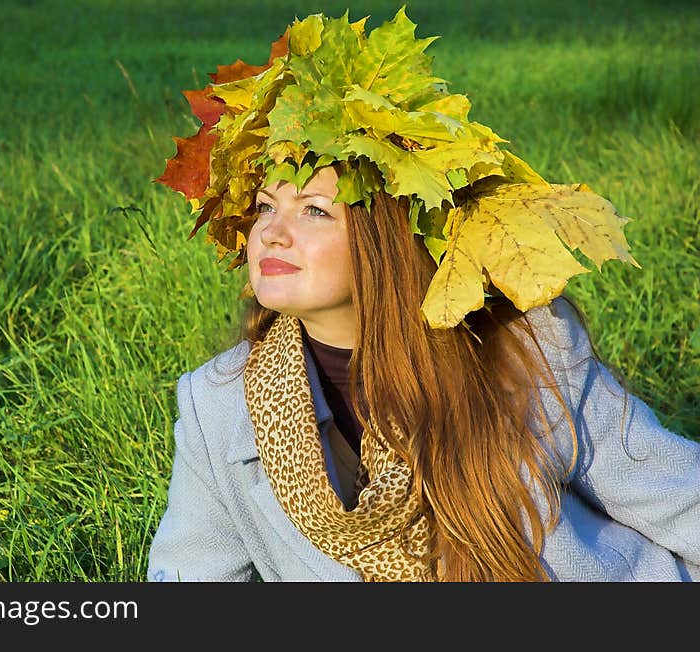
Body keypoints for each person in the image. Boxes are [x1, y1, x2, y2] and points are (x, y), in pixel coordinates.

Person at [147, 8, 700, 582]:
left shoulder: (524, 349)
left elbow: (677, 498)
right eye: (265, 206)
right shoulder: (219, 405)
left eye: (313, 210)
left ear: (383, 240)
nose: (271, 231)